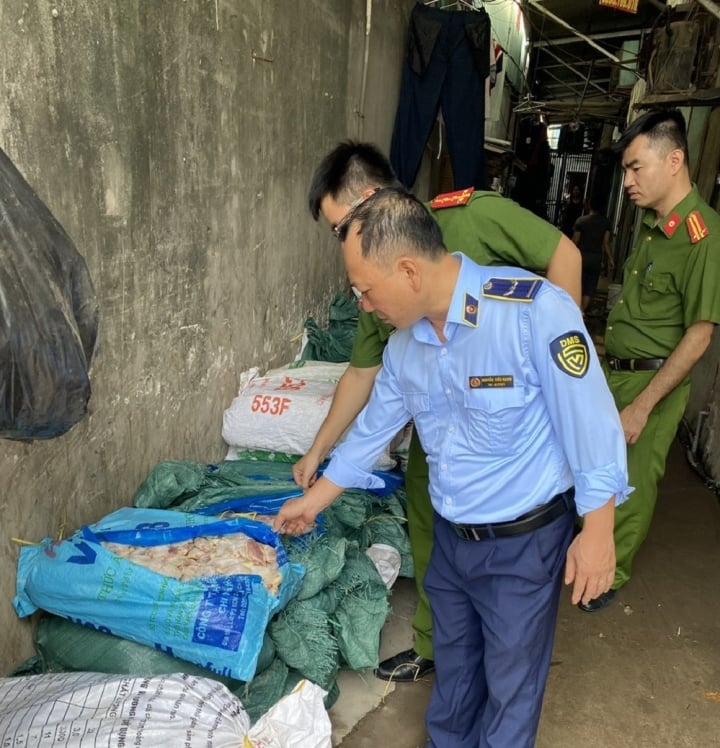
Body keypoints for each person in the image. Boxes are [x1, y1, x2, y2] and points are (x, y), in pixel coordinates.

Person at [274, 188, 630, 748]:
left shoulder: (532, 313)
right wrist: (313, 501)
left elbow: (592, 425)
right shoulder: (403, 347)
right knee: (457, 676)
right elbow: (369, 432)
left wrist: (599, 531)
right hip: (451, 541)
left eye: (365, 290)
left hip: (523, 543)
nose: (361, 305)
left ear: (409, 271)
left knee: (511, 688)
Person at [295, 141, 582, 683]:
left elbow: (564, 255)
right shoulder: (376, 293)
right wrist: (319, 455)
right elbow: (366, 378)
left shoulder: (473, 218)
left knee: (511, 651)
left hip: (513, 452)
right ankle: (438, 651)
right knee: (441, 561)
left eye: (340, 226)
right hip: (439, 443)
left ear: (373, 199)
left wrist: (560, 365)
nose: (340, 244)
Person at [579, 109, 720, 612]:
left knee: (630, 483)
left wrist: (643, 406)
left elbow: (700, 335)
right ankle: (588, 551)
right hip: (613, 373)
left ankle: (607, 578)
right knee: (595, 468)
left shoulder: (702, 237)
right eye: (625, 170)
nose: (628, 180)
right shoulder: (652, 225)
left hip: (651, 385)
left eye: (636, 168)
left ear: (675, 159)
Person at [572, 195, 615, 312]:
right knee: (590, 286)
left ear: (589, 205)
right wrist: (611, 259)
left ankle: (575, 310)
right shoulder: (606, 222)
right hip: (596, 258)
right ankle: (582, 311)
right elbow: (605, 242)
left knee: (577, 282)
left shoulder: (581, 221)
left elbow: (575, 240)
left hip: (581, 257)